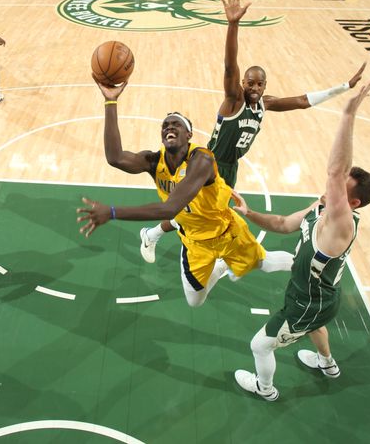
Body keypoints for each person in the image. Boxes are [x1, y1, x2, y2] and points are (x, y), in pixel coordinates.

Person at [139, 0, 366, 265]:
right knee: (193, 212)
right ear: (243, 84)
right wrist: (233, 25)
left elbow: (303, 101)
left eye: (259, 83)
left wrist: (344, 87)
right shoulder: (234, 100)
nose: (254, 87)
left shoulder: (265, 104)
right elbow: (229, 65)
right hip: (207, 164)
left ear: (265, 86)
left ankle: (169, 238)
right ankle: (153, 235)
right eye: (250, 82)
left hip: (230, 167)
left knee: (211, 213)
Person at [76, 77, 297, 308]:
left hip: (226, 232)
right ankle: (217, 265)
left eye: (175, 124)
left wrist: (112, 212)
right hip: (194, 240)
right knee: (194, 302)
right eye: (165, 125)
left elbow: (170, 208)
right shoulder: (153, 162)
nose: (169, 127)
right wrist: (110, 103)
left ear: (189, 135)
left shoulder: (202, 159)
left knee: (267, 262)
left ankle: (308, 263)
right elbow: (115, 157)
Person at [232, 77, 370, 401]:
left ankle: (265, 388)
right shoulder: (322, 206)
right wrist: (250, 213)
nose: (332, 187)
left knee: (260, 345)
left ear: (352, 203)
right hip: (319, 299)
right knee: (316, 326)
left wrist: (348, 115)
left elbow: (335, 171)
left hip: (307, 305)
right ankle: (328, 364)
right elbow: (285, 223)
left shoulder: (341, 226)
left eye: (342, 188)